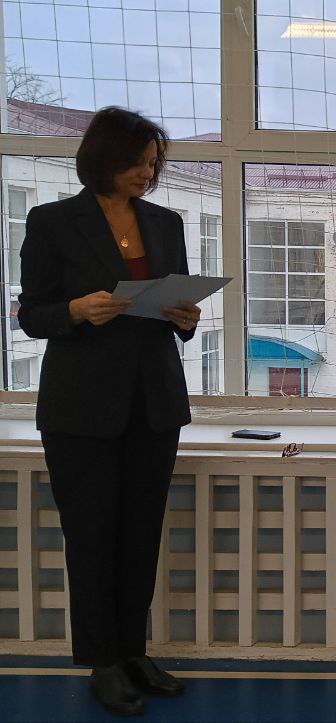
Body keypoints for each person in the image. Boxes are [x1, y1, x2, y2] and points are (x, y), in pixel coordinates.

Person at [17, 107, 201, 716]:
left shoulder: (166, 222)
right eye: (137, 162)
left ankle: (133, 652)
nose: (148, 173)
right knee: (92, 538)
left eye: (154, 163)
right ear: (104, 158)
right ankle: (103, 662)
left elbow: (178, 308)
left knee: (140, 536)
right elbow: (32, 313)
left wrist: (186, 317)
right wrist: (75, 311)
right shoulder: (52, 221)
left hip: (154, 402)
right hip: (81, 408)